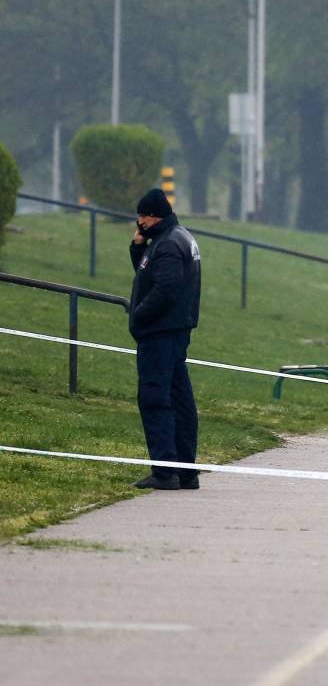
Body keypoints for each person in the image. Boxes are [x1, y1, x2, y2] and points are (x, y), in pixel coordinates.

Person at [127, 188, 203, 490]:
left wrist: (139, 316)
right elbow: (150, 274)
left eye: (142, 216)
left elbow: (166, 288)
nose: (138, 221)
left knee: (155, 399)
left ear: (152, 216)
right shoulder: (175, 237)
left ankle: (165, 470)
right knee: (180, 400)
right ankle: (186, 470)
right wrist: (137, 247)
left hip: (160, 333)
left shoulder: (168, 244)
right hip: (174, 332)